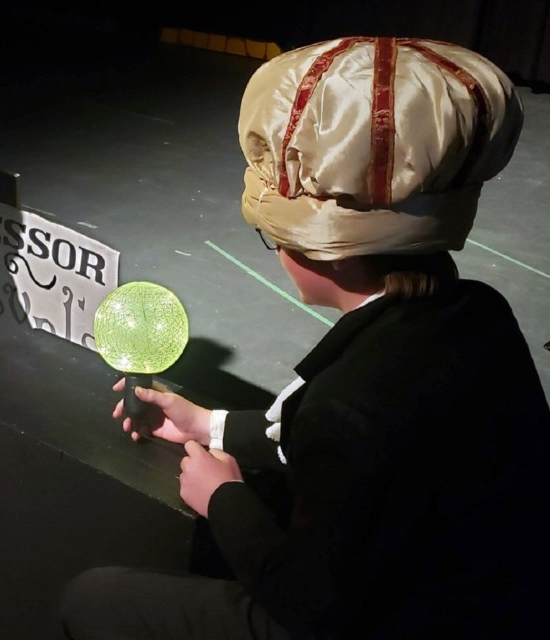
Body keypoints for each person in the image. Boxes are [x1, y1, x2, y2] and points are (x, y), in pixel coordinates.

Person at [60, 37, 550, 639]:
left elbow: (311, 601)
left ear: (329, 254)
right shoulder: (478, 312)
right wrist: (206, 424)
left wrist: (223, 498)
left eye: (277, 239)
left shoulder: (352, 401)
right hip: (505, 596)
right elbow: (362, 452)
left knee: (94, 600)